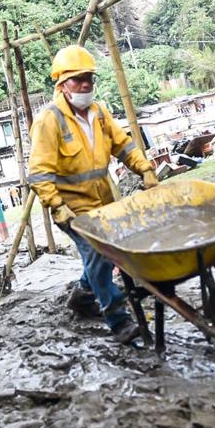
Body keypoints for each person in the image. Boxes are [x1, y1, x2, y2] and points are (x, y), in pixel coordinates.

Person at [28, 44, 159, 344]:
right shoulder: (49, 120)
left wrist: (145, 169)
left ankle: (84, 296)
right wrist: (56, 206)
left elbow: (123, 145)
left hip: (103, 200)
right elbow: (38, 172)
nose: (85, 84)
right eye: (78, 79)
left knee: (105, 255)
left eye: (89, 77)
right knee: (98, 253)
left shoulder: (99, 113)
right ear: (62, 84)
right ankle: (119, 320)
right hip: (71, 207)